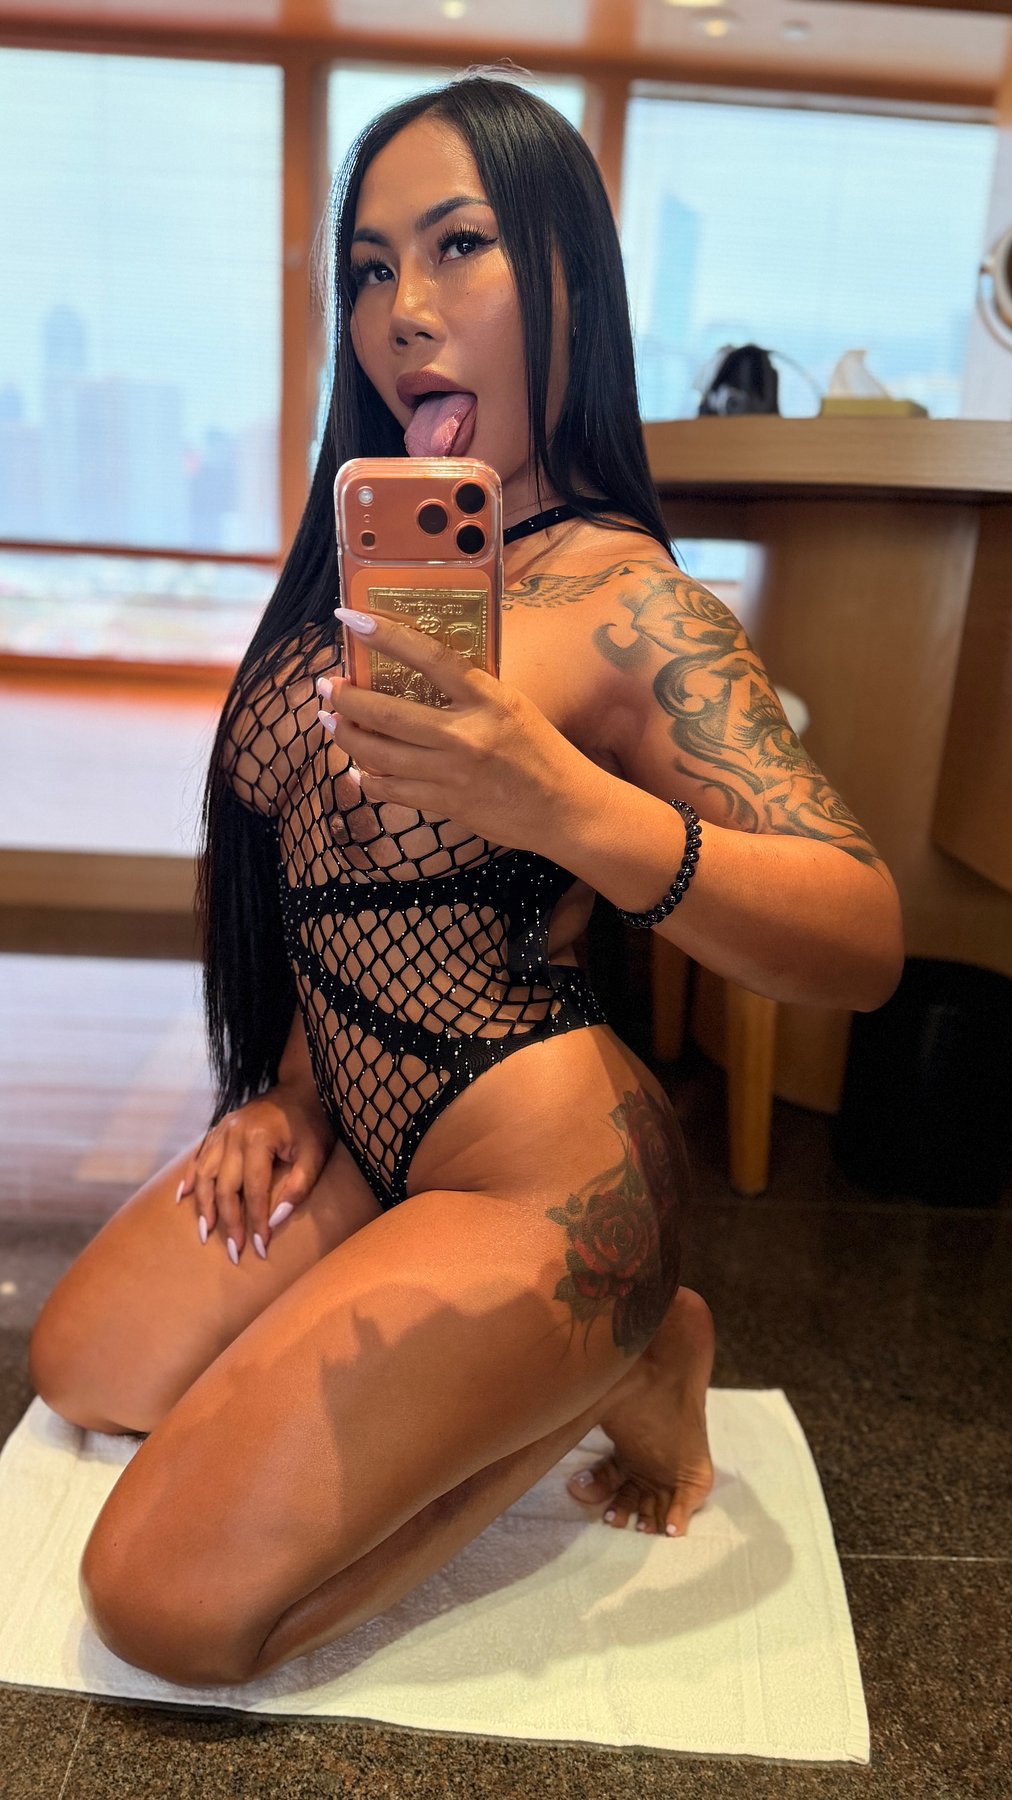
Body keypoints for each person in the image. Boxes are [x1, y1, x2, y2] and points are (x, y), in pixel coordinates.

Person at [28, 73, 904, 1688]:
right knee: (89, 1364)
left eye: (459, 246)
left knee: (162, 1603)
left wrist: (562, 801)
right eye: (370, 268)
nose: (403, 312)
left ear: (569, 276)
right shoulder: (374, 571)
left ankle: (622, 1356)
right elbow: (340, 880)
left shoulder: (632, 602)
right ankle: (519, 1324)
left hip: (545, 1165)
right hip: (360, 1126)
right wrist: (288, 1089)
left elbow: (860, 938)